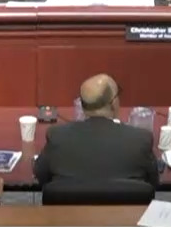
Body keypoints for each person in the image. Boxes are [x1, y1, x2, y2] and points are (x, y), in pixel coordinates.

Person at [32, 74, 160, 188]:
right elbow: (153, 183)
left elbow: (41, 176)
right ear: (113, 103)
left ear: (82, 106)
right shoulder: (140, 140)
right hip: (125, 214)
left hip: (70, 214)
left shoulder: (57, 137)